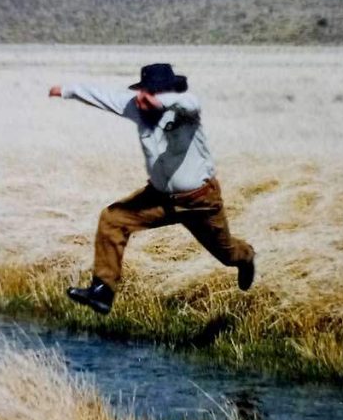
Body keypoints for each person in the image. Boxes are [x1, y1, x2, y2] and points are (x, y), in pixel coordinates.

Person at [49, 63, 255, 315]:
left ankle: (246, 258)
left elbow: (190, 102)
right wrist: (66, 90)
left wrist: (159, 102)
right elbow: (104, 97)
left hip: (200, 200)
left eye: (151, 92)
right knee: (112, 219)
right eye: (143, 91)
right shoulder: (137, 106)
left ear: (166, 92)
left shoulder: (186, 111)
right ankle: (103, 290)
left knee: (227, 254)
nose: (143, 98)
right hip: (159, 198)